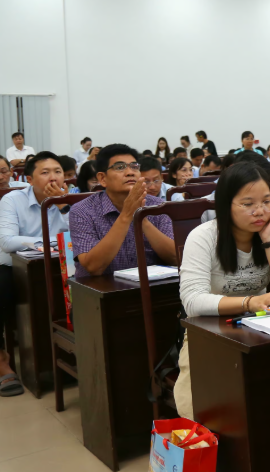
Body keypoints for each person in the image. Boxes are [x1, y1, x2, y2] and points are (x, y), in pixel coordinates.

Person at [175, 162, 270, 418]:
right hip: (209, 330)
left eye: (266, 201)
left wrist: (269, 240)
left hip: (261, 325)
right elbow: (192, 301)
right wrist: (249, 302)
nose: (260, 211)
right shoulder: (203, 237)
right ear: (225, 205)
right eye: (247, 204)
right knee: (203, 402)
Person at [0, 152, 73, 397]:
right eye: (45, 172)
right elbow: (7, 241)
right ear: (29, 179)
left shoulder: (71, 199)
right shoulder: (12, 200)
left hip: (57, 267)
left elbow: (81, 236)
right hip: (12, 267)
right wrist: (51, 242)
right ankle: (2, 359)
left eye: (58, 172)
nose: (54, 177)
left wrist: (63, 207)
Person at [69, 144, 176, 277]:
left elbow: (175, 258)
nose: (130, 172)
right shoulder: (82, 210)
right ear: (102, 178)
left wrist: (141, 218)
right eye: (120, 167)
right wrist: (126, 215)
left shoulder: (158, 206)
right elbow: (93, 267)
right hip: (101, 288)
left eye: (134, 167)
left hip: (152, 285)